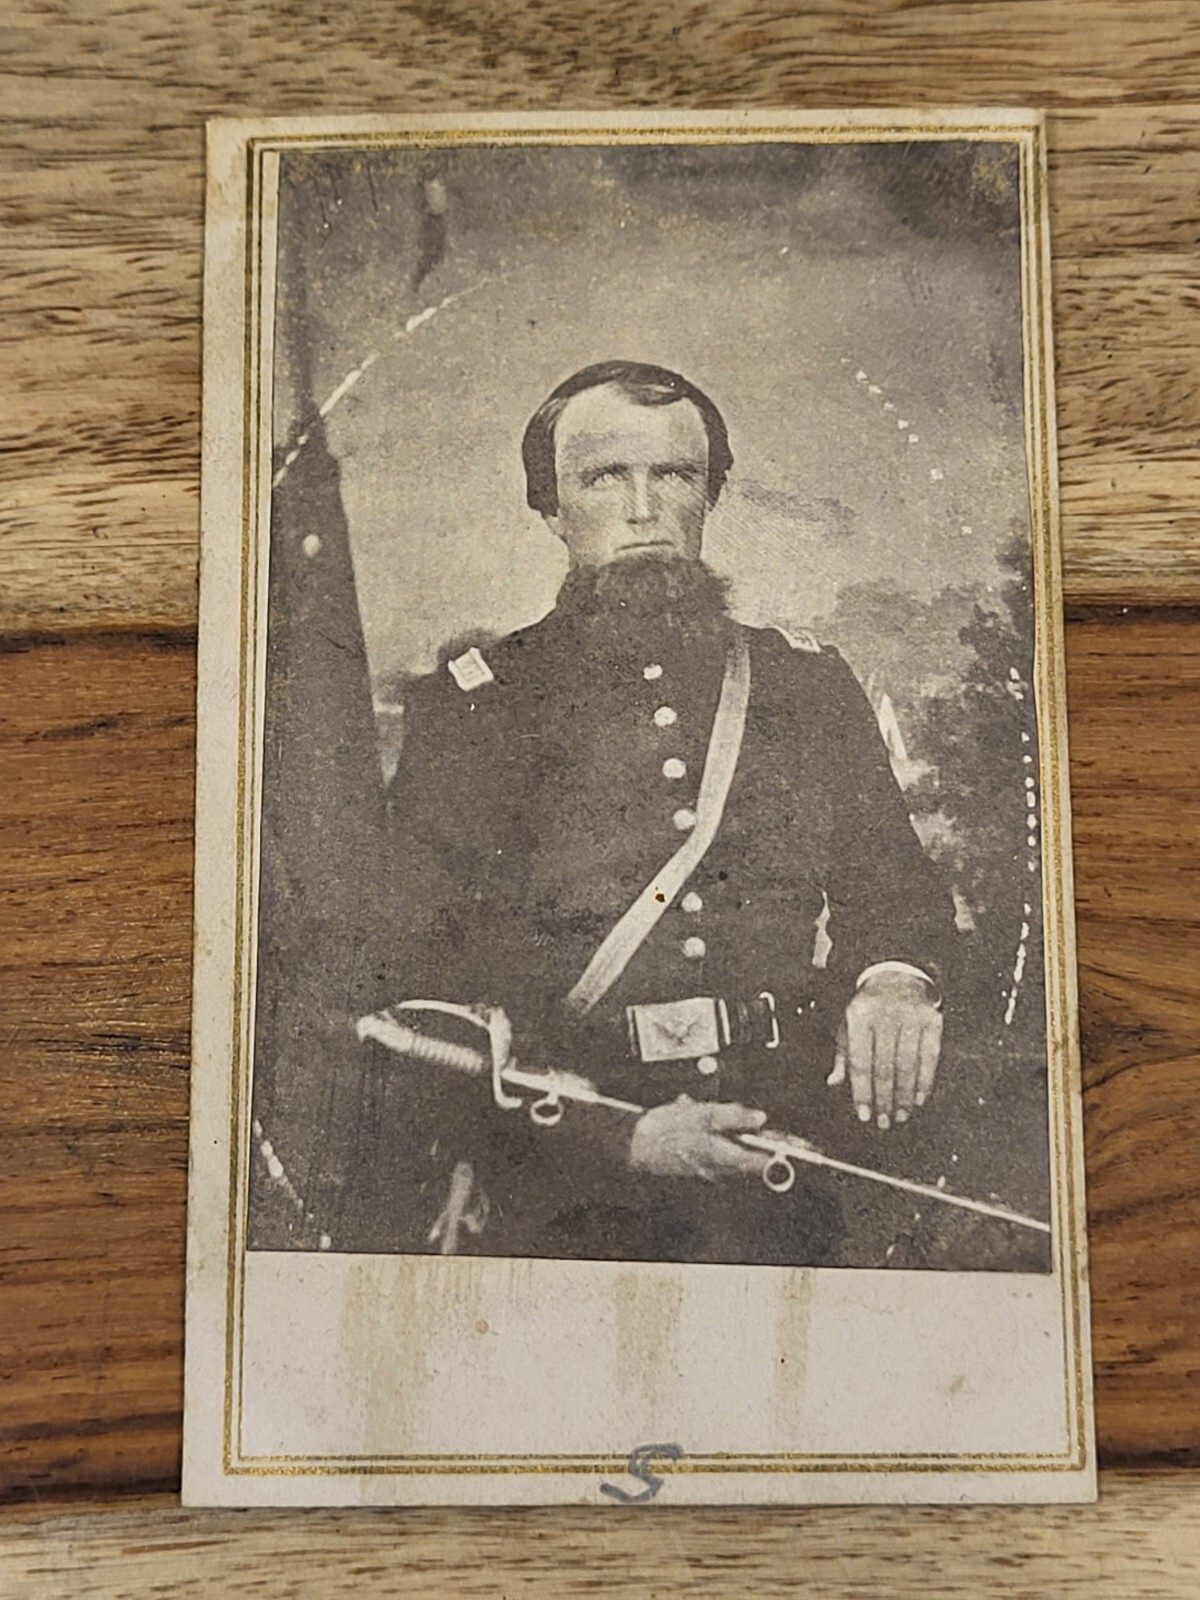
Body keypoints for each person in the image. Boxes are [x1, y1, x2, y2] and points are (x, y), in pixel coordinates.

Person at [342, 360, 957, 1265]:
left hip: (798, 1148)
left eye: (674, 475)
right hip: (577, 1175)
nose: (643, 508)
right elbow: (420, 989)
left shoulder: (805, 686)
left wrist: (894, 980)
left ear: (710, 495)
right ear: (551, 508)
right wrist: (618, 1141)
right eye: (604, 478)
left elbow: (895, 890)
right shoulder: (477, 708)